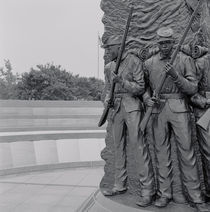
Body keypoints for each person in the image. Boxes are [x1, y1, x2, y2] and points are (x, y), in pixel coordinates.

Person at [143, 27, 207, 211]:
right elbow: (145, 88)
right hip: (157, 111)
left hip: (180, 109)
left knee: (187, 153)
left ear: (173, 42)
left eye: (168, 43)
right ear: (158, 43)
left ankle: (196, 196)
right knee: (161, 154)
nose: (164, 46)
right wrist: (148, 99)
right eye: (161, 43)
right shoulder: (149, 63)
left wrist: (175, 75)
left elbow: (192, 89)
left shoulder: (184, 59)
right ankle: (164, 194)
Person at [102, 35, 155, 207]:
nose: (108, 51)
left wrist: (122, 81)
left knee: (139, 147)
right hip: (116, 108)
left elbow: (140, 87)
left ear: (119, 46)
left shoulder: (133, 61)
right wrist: (107, 99)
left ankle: (148, 190)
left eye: (110, 48)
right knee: (118, 147)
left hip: (132, 106)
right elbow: (109, 89)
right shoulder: (109, 67)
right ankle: (119, 184)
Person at [182, 31, 210, 200]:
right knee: (208, 153)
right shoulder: (201, 62)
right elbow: (191, 92)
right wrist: (205, 103)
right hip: (206, 112)